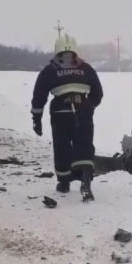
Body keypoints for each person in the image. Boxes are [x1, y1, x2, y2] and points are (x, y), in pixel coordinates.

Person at [31, 34, 103, 201]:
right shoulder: (86, 68)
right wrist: (88, 107)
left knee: (62, 147)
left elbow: (39, 96)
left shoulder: (50, 70)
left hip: (60, 113)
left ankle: (64, 183)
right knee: (84, 146)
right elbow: (98, 94)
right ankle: (85, 181)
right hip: (83, 112)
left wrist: (37, 119)